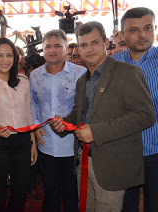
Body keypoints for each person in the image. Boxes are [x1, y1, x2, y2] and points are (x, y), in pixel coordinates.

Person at [50, 21, 155, 211]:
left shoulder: (128, 73)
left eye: (94, 43)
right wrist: (64, 123)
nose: (89, 49)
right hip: (83, 161)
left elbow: (145, 115)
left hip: (112, 166)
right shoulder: (82, 80)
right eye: (83, 45)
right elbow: (80, 113)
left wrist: (96, 132)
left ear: (106, 42)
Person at [30, 29, 86, 212]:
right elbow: (33, 104)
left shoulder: (81, 73)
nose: (52, 50)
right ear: (42, 49)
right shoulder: (35, 75)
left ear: (66, 48)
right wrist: (35, 126)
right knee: (50, 193)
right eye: (48, 46)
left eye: (57, 46)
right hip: (45, 144)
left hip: (73, 144)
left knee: (72, 194)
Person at [111, 7, 158, 212]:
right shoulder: (111, 65)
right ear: (122, 34)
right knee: (125, 206)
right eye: (134, 30)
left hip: (156, 150)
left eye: (147, 28)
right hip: (123, 151)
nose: (142, 35)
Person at [0, 37, 37, 212]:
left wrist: (33, 143)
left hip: (22, 142)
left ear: (15, 58)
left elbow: (28, 113)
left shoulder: (23, 81)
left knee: (20, 191)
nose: (5, 60)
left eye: (9, 55)